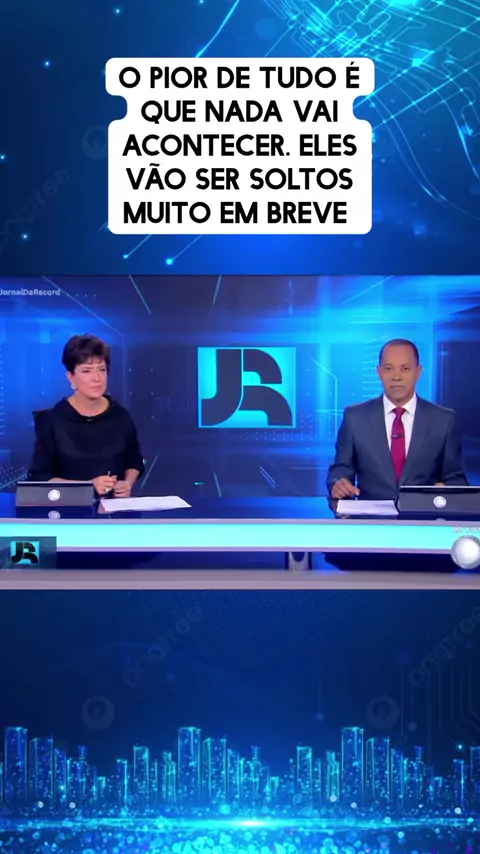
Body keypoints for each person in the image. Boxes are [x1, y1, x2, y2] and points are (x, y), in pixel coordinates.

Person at [327, 339, 468, 501]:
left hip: (424, 514)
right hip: (371, 515)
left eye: (405, 369)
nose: (396, 377)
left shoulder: (443, 420)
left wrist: (446, 489)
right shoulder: (355, 418)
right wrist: (338, 483)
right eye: (389, 369)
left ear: (418, 372)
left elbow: (457, 479)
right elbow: (340, 470)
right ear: (379, 372)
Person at [29, 334, 144, 497]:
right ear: (71, 377)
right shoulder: (51, 421)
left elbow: (135, 462)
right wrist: (86, 487)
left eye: (102, 370)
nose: (97, 378)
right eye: (86, 371)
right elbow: (40, 478)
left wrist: (127, 483)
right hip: (67, 509)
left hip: (114, 509)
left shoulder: (121, 416)